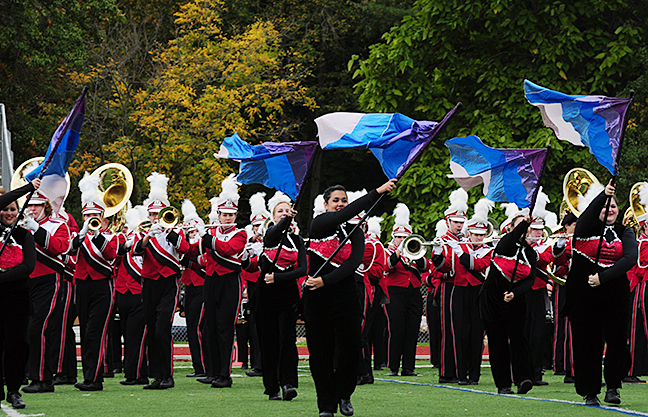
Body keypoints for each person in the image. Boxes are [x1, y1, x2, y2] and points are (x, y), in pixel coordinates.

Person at [304, 179, 396, 417]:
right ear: (325, 204)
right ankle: (326, 405)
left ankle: (344, 394)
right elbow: (339, 217)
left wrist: (325, 280)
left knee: (350, 351)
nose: (340, 204)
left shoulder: (355, 231)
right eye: (336, 200)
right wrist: (376, 191)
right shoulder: (319, 223)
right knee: (320, 354)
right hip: (317, 300)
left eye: (344, 201)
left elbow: (353, 264)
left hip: (345, 298)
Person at [563, 180, 638, 406]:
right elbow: (585, 219)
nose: (610, 210)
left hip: (615, 295)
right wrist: (602, 196)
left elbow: (629, 259)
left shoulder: (625, 231)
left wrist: (602, 277)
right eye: (605, 207)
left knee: (616, 342)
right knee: (588, 343)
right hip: (584, 296)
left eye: (613, 206)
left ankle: (613, 387)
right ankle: (590, 391)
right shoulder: (585, 228)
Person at [134, 172, 195, 390]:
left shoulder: (175, 231)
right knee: (151, 328)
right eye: (152, 214)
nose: (155, 217)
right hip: (149, 283)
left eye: (159, 213)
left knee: (162, 328)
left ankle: (167, 376)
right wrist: (148, 236)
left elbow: (186, 250)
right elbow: (134, 252)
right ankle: (157, 375)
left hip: (169, 282)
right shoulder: (144, 232)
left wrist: (170, 232)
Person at [69, 173, 118, 391]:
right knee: (87, 328)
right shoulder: (78, 236)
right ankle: (90, 375)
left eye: (95, 216)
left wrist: (96, 234)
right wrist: (80, 236)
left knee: (95, 332)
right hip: (82, 285)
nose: (92, 220)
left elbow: (110, 254)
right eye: (87, 217)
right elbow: (67, 252)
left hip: (102, 286)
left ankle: (95, 378)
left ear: (103, 217)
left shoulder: (111, 236)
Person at [255, 191, 306, 400]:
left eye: (287, 210)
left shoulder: (297, 239)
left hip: (287, 293)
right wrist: (286, 220)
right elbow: (272, 236)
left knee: (287, 339)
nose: (284, 214)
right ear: (273, 215)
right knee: (269, 341)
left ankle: (288, 383)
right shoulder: (270, 234)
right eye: (280, 211)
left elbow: (302, 269)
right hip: (265, 294)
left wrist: (279, 278)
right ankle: (272, 386)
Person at [479, 212, 536, 395]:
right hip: (493, 301)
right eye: (520, 226)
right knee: (498, 343)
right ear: (511, 228)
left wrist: (514, 292)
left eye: (526, 227)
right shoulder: (503, 245)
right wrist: (524, 222)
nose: (523, 230)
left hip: (516, 300)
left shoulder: (530, 253)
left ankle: (523, 379)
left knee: (520, 340)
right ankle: (503, 384)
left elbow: (530, 280)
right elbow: (511, 239)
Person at [21, 189, 71, 394]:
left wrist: (37, 231)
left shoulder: (58, 225)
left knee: (38, 328)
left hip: (48, 280)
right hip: (25, 281)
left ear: (45, 206)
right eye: (30, 205)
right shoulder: (20, 226)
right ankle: (36, 376)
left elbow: (59, 247)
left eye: (37, 205)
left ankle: (41, 379)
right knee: (28, 330)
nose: (32, 209)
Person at [199, 174, 247, 388]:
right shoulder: (211, 231)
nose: (227, 218)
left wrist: (208, 238)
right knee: (209, 326)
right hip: (211, 281)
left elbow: (229, 249)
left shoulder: (241, 233)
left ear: (235, 215)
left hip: (229, 282)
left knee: (224, 327)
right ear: (217, 214)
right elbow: (193, 251)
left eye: (230, 215)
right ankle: (212, 371)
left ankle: (224, 375)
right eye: (224, 215)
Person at [0, 180, 40, 409]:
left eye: (13, 209)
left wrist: (3, 276)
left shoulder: (25, 235)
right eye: (5, 208)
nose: (9, 212)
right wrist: (27, 188)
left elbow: (28, 267)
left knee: (17, 345)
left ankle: (14, 390)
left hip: (17, 297)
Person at [447, 199, 494, 385]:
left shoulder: (488, 251)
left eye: (481, 235)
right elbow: (445, 268)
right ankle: (461, 375)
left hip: (478, 292)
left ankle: (474, 375)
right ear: (468, 233)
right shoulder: (459, 246)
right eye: (475, 234)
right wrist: (436, 253)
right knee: (461, 334)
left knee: (477, 335)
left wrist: (460, 253)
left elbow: (477, 265)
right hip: (459, 291)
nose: (479, 238)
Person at [384, 203, 427, 377]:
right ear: (394, 237)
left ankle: (409, 367)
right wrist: (399, 252)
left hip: (413, 291)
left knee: (412, 329)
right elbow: (387, 267)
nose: (402, 240)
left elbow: (425, 267)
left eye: (405, 237)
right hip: (395, 291)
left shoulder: (415, 250)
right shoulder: (388, 250)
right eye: (399, 237)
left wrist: (415, 255)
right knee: (398, 328)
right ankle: (393, 366)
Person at [432, 188, 469, 383]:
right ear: (448, 222)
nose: (459, 226)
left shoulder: (465, 240)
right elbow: (441, 268)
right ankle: (447, 372)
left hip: (465, 287)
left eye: (462, 223)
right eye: (456, 222)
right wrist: (437, 254)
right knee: (450, 329)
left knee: (462, 330)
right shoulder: (444, 241)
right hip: (449, 286)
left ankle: (462, 369)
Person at [114, 206, 149, 385]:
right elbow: (113, 257)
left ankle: (135, 374)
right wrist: (125, 243)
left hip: (139, 291)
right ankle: (136, 372)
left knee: (136, 336)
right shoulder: (124, 240)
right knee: (128, 335)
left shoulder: (146, 240)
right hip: (122, 291)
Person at [356, 216, 387, 385]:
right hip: (357, 289)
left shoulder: (371, 245)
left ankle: (364, 372)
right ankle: (361, 371)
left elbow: (355, 259)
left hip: (368, 290)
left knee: (361, 332)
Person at [179, 199, 207, 378]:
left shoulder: (203, 244)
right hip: (189, 286)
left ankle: (204, 366)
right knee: (191, 328)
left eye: (195, 231)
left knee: (198, 328)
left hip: (202, 286)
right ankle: (198, 365)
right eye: (190, 231)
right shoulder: (187, 245)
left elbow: (198, 260)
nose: (192, 234)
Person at [550, 212, 577, 383]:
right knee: (562, 326)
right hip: (563, 286)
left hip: (579, 286)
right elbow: (555, 268)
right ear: (566, 226)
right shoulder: (560, 241)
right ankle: (560, 363)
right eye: (575, 225)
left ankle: (570, 364)